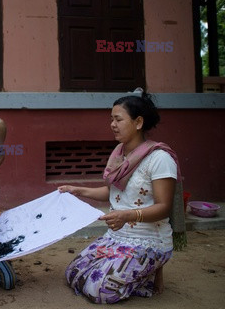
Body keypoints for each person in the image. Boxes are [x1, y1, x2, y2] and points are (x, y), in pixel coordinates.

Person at [58, 89, 180, 304]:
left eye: (118, 119)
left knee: (100, 290)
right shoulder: (119, 153)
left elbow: (164, 207)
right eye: (111, 119)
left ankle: (151, 271)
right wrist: (77, 190)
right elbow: (112, 192)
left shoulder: (159, 159)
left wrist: (126, 216)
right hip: (117, 237)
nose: (112, 124)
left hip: (149, 240)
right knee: (74, 273)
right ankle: (142, 274)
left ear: (138, 122)